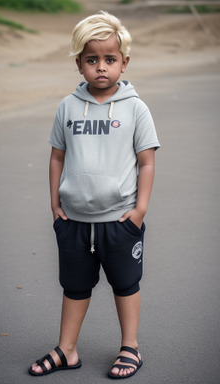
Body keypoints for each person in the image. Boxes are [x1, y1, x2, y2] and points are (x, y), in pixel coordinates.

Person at [29, 10, 160, 380]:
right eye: (92, 60)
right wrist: (55, 205)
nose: (101, 67)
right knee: (74, 287)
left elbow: (146, 162)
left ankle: (129, 346)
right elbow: (57, 156)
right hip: (73, 221)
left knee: (125, 284)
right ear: (79, 64)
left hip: (119, 220)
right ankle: (67, 349)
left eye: (109, 59)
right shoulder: (68, 107)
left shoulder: (136, 108)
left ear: (124, 62)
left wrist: (140, 210)